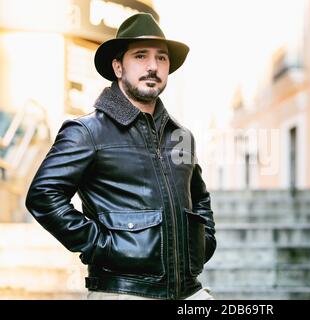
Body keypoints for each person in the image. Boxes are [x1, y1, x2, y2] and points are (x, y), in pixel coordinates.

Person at [25, 13, 216, 300]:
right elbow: (43, 195)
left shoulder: (182, 136)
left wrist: (204, 242)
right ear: (118, 66)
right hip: (122, 292)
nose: (153, 66)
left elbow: (199, 198)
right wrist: (100, 245)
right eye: (141, 56)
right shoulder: (87, 131)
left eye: (161, 58)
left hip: (189, 292)